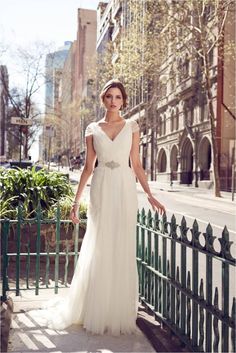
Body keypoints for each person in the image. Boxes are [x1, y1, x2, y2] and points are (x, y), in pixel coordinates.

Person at [39, 79, 165, 335]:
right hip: (102, 186)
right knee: (100, 243)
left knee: (122, 245)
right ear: (103, 100)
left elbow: (137, 164)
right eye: (109, 96)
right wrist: (75, 203)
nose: (113, 101)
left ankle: (116, 309)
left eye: (118, 97)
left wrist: (150, 194)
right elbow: (88, 167)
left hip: (125, 187)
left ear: (124, 101)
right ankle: (93, 307)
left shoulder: (132, 126)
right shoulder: (92, 128)